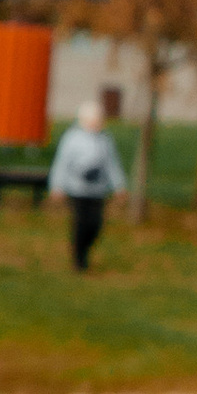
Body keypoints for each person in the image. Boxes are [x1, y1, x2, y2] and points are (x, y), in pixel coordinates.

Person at [47, 97, 126, 271]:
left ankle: (85, 250)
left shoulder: (105, 140)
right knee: (81, 223)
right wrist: (57, 187)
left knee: (95, 225)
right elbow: (62, 164)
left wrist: (119, 186)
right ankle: (79, 258)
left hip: (98, 191)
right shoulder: (72, 138)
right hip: (77, 190)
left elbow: (112, 164)